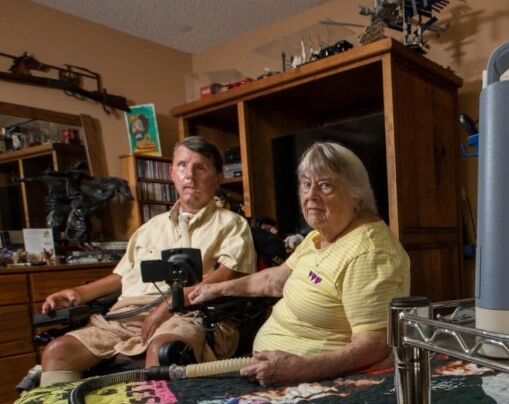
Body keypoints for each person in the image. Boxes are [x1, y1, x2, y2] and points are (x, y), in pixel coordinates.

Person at [38, 136, 256, 386]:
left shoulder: (231, 224)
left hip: (190, 314)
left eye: (200, 167)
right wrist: (76, 293)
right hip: (126, 315)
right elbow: (121, 277)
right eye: (183, 166)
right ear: (172, 173)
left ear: (218, 178)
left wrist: (167, 307)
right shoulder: (149, 229)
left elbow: (225, 278)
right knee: (58, 351)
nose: (190, 176)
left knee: (162, 351)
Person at [190, 141, 410, 386]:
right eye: (306, 184)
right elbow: (275, 280)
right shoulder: (321, 235)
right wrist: (215, 289)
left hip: (320, 382)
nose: (311, 195)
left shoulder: (369, 254)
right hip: (273, 372)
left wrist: (302, 369)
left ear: (356, 193)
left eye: (325, 185)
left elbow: (375, 346)